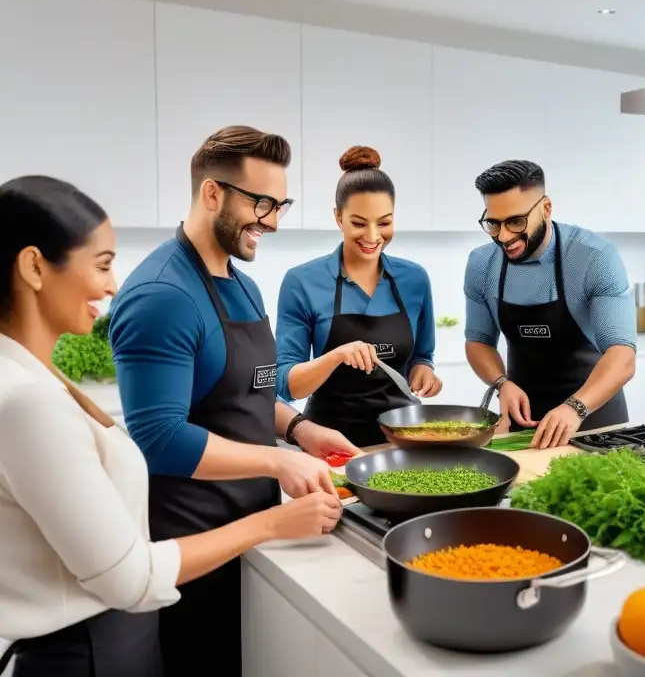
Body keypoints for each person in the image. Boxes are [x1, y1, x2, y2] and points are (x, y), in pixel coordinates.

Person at [0, 176, 340, 677]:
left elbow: (244, 391)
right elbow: (129, 577)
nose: (114, 285)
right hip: (90, 648)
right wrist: (271, 522)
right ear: (33, 267)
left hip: (116, 636)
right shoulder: (30, 401)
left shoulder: (35, 373)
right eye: (101, 264)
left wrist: (299, 431)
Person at [107, 126, 357, 677]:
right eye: (261, 202)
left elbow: (245, 390)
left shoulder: (239, 282)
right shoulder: (162, 297)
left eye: (280, 203)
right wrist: (277, 459)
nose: (272, 219)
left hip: (256, 526)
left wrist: (299, 431)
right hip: (195, 547)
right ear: (212, 194)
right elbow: (158, 438)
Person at [463, 159, 636, 449]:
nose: (504, 236)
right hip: (524, 425)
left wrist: (575, 408)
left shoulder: (594, 257)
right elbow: (477, 341)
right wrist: (501, 383)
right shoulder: (481, 264)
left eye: (516, 222)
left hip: (593, 420)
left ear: (546, 208)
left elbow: (622, 355)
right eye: (493, 223)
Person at [276, 146, 441, 447]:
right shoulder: (302, 282)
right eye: (359, 223)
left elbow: (422, 356)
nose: (373, 236)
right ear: (338, 217)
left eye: (385, 222)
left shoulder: (414, 279)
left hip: (403, 441)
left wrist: (424, 371)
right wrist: (337, 356)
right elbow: (286, 383)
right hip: (330, 445)